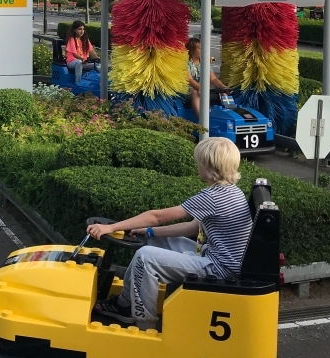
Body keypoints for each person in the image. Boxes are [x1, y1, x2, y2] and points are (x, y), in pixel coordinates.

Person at [89, 137, 251, 328]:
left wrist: (112, 227)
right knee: (150, 242)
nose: (197, 165)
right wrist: (150, 232)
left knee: (145, 257)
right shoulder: (231, 191)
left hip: (219, 270)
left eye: (199, 162)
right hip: (217, 259)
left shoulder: (213, 197)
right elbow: (192, 227)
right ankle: (124, 305)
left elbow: (156, 216)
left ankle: (145, 324)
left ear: (208, 167)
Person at [186, 36, 229, 113]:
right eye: (200, 48)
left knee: (223, 92)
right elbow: (189, 79)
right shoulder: (186, 63)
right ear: (192, 50)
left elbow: (213, 79)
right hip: (189, 92)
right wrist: (202, 89)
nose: (203, 50)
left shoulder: (205, 62)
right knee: (195, 92)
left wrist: (223, 87)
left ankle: (229, 112)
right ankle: (201, 118)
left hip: (205, 91)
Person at [65, 20, 98, 85]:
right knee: (79, 62)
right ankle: (78, 82)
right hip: (72, 62)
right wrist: (82, 59)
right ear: (74, 30)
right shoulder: (72, 39)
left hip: (83, 62)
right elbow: (74, 54)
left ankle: (95, 82)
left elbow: (91, 51)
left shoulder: (85, 40)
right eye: (79, 29)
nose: (82, 31)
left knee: (97, 65)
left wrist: (97, 59)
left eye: (83, 29)